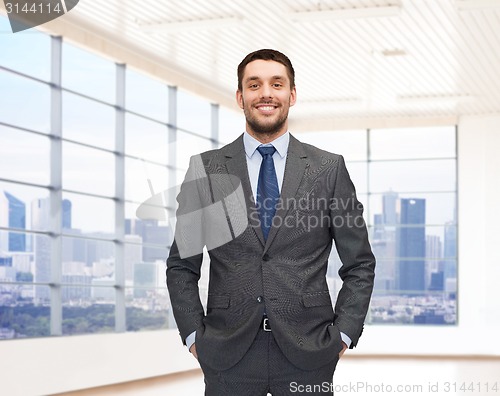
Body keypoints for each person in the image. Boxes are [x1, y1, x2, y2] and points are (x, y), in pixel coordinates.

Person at [166, 49, 376, 395]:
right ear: (240, 97)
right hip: (226, 352)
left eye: (276, 84)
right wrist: (193, 336)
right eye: (254, 85)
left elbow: (359, 263)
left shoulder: (328, 169)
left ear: (291, 95)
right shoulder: (206, 169)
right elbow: (181, 265)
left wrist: (343, 333)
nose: (266, 93)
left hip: (309, 351)